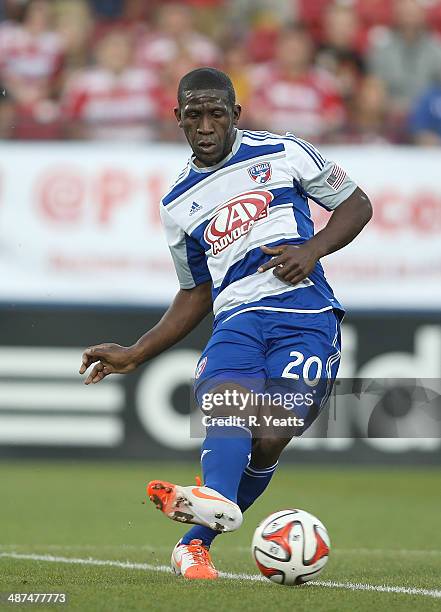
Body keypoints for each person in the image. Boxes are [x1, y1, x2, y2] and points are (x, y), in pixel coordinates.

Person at [79, 67, 372, 580]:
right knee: (228, 403)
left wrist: (313, 248)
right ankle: (208, 516)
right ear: (178, 120)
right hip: (236, 318)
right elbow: (195, 292)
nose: (207, 125)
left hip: (306, 316)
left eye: (217, 113)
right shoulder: (177, 203)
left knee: (270, 436)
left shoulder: (284, 151)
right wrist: (135, 351)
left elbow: (357, 204)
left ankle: (198, 533)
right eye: (195, 116)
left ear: (236, 115)